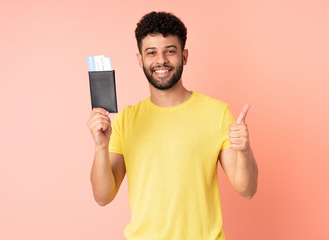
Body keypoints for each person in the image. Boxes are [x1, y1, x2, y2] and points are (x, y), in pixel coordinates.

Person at [87, 11, 258, 240]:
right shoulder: (126, 120)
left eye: (170, 51)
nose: (161, 60)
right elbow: (103, 196)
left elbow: (247, 190)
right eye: (151, 52)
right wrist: (100, 146)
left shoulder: (217, 112)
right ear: (140, 60)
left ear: (184, 56)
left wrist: (245, 150)